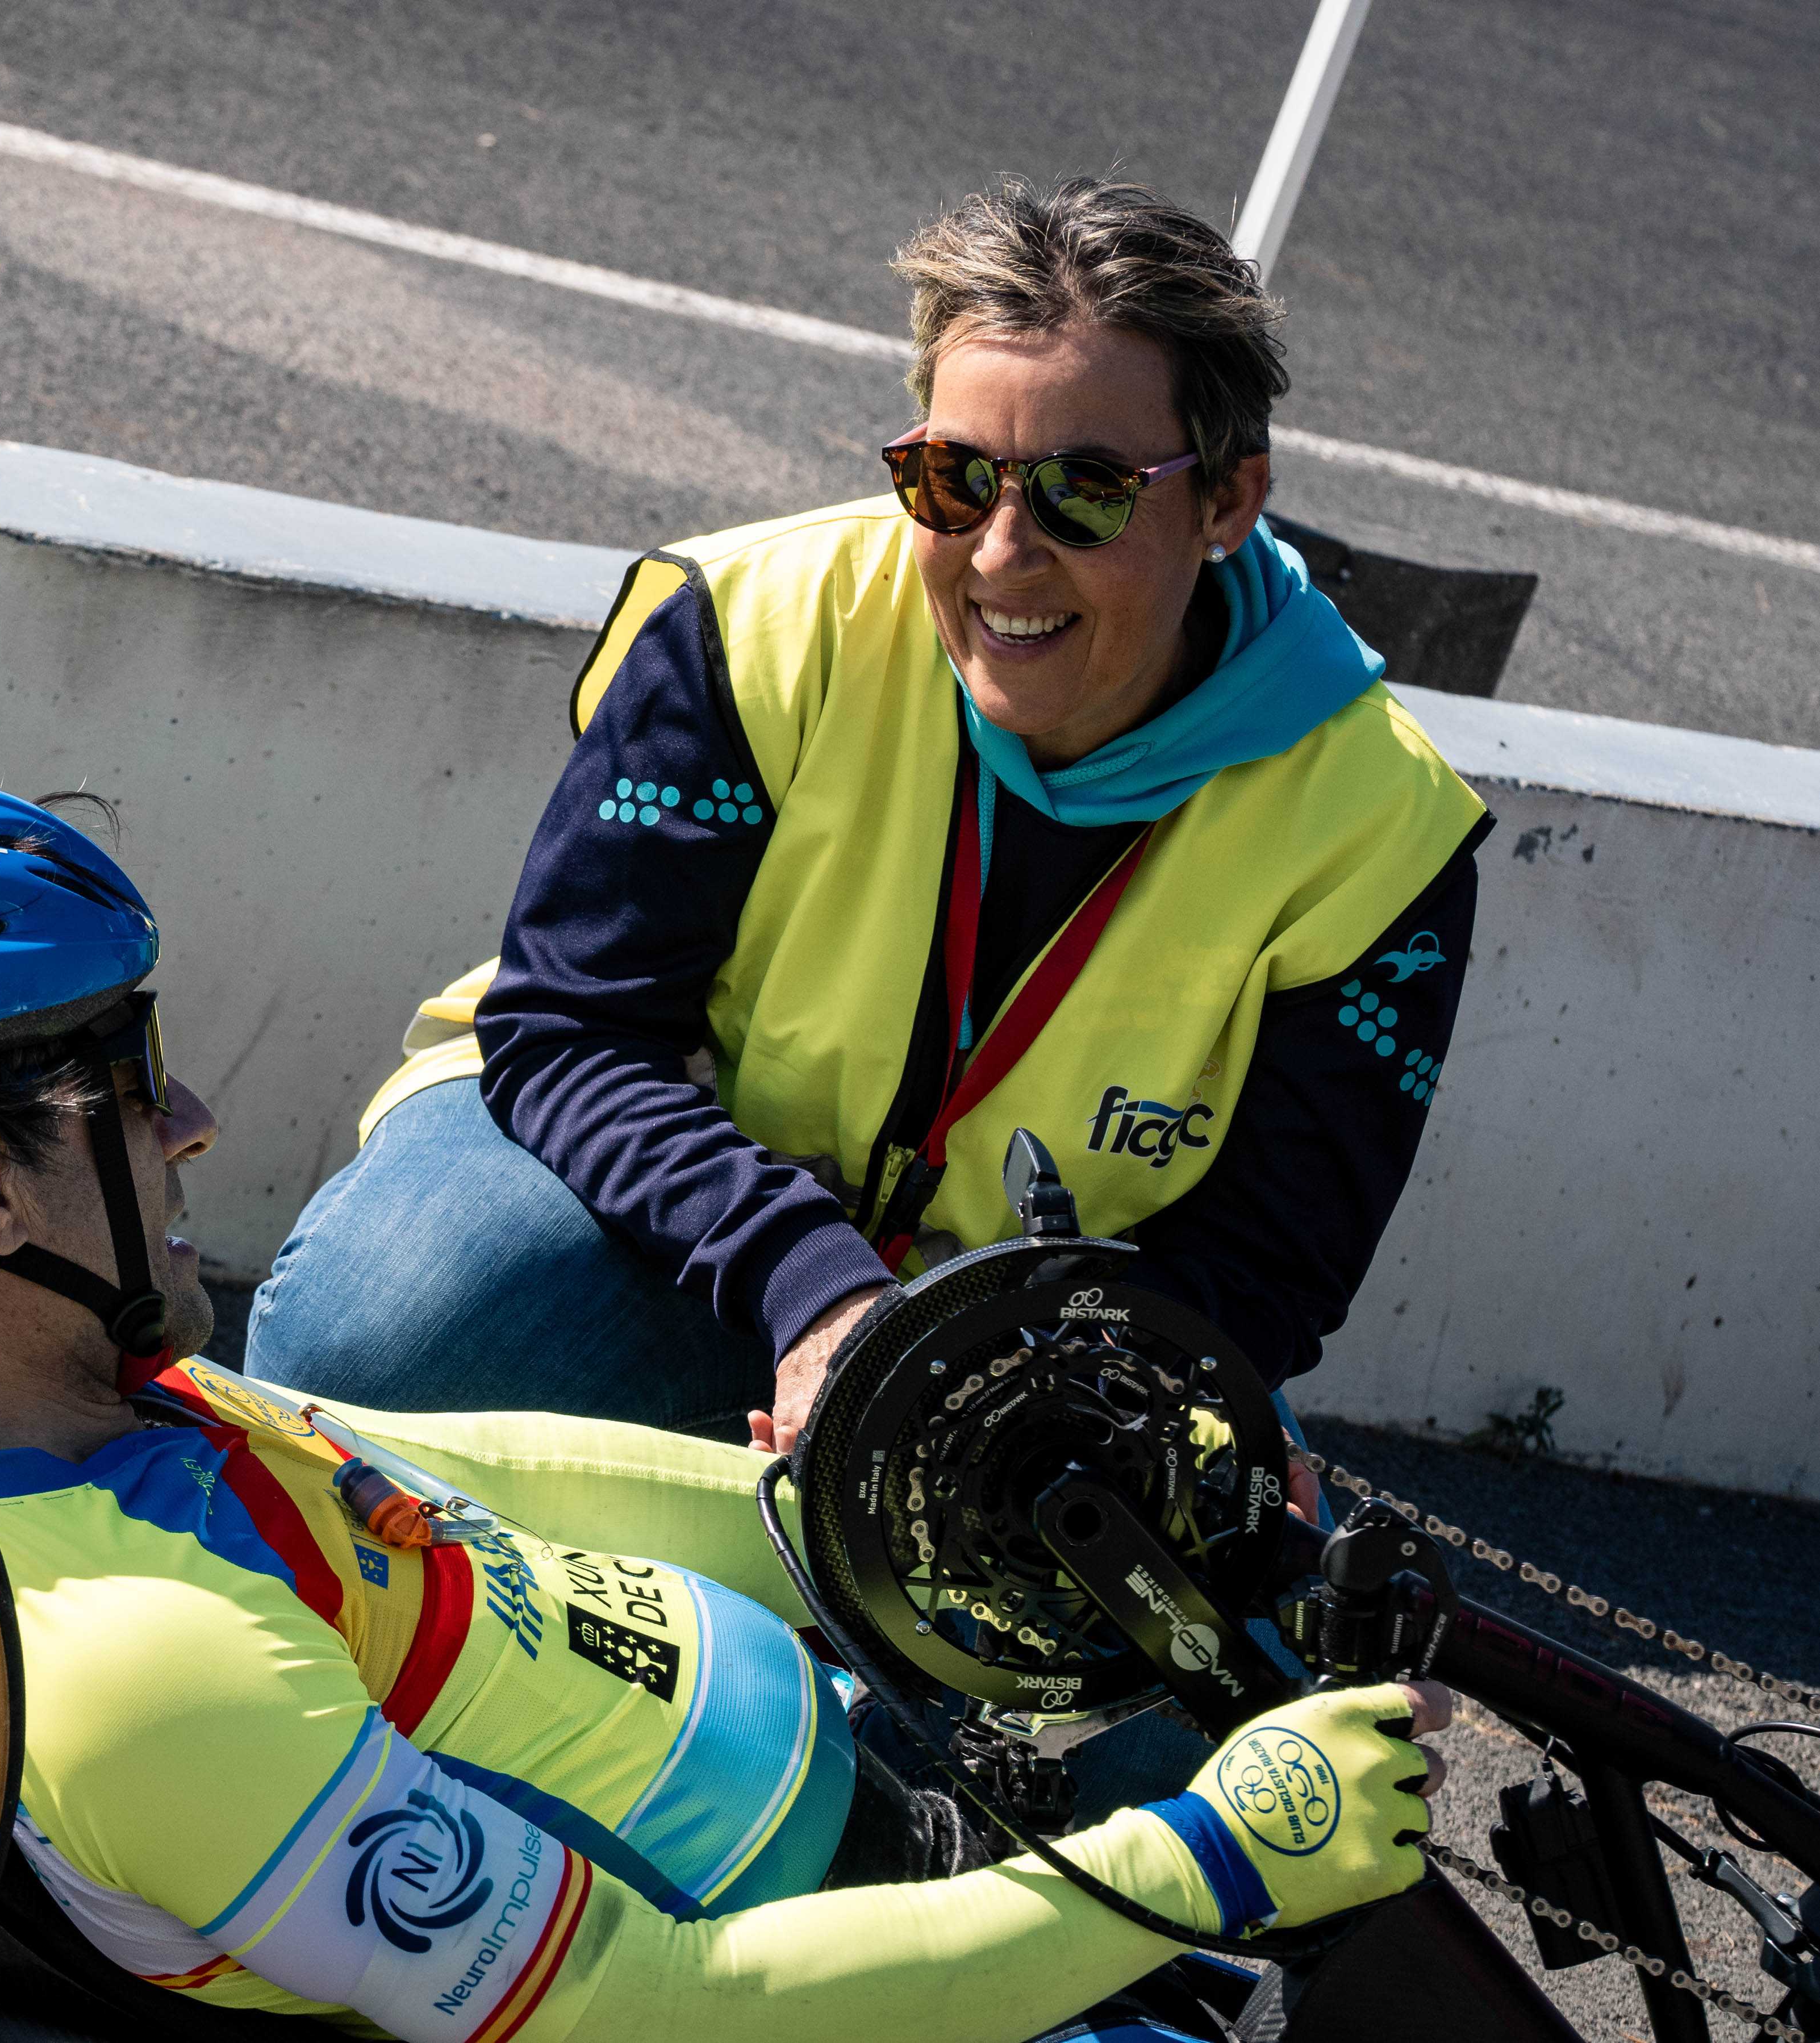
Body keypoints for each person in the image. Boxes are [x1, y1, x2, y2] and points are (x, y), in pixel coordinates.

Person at [0, 772, 1452, 2043]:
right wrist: (1196, 1857)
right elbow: (659, 2014)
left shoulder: (109, 1422)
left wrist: (867, 1523)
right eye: (124, 1078)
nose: (188, 1126)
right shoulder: (124, 1661)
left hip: (905, 1844)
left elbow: (470, 1486)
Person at [242, 177, 1490, 1466]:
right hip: (666, 1204)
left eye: (1086, 491)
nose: (1002, 554)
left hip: (1025, 1331)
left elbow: (1270, 1265)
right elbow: (572, 1032)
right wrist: (819, 1290)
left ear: (1227, 503)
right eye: (953, 478)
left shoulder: (1380, 829)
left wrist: (972, 1379)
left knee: (1189, 1630)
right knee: (362, 1345)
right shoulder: (750, 621)